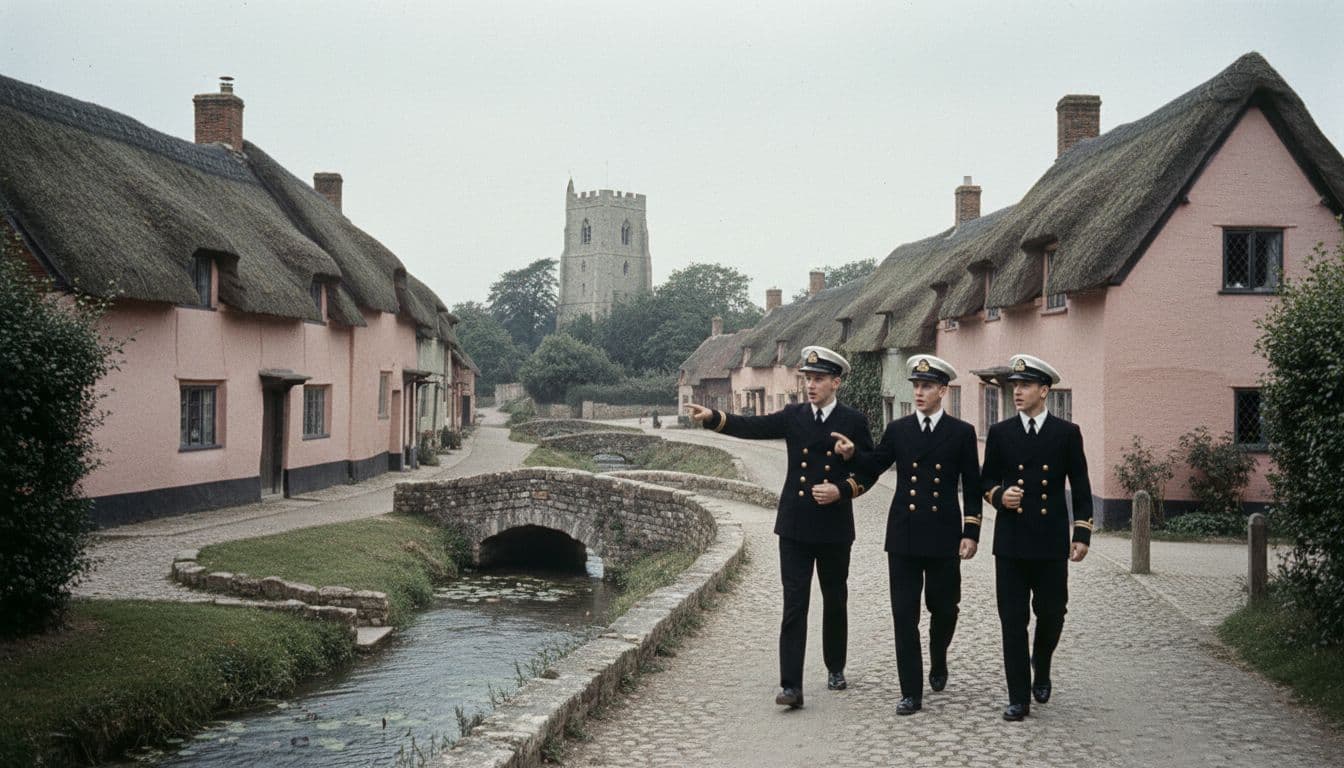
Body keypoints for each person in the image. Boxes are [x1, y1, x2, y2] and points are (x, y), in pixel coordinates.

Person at [684, 345, 873, 709]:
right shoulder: (793, 415)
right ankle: (791, 686)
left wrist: (842, 489)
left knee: (835, 598)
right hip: (795, 526)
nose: (811, 385)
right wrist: (713, 417)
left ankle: (835, 666)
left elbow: (868, 470)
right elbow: (752, 426)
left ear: (836, 382)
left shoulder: (853, 421)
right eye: (808, 379)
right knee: (794, 605)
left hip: (834, 527)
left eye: (818, 379)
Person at [832, 355, 980, 715]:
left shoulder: (961, 433)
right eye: (915, 386)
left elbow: (972, 485)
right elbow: (876, 463)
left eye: (927, 386)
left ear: (943, 390)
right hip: (904, 536)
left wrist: (971, 531)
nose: (919, 392)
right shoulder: (899, 430)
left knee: (944, 608)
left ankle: (939, 655)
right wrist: (853, 455)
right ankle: (910, 691)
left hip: (944, 534)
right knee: (904, 615)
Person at [980, 354, 1093, 721]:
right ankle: (1018, 697)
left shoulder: (1066, 434)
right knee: (1012, 620)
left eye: (1025, 385)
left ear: (1044, 391)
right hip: (1011, 543)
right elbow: (985, 481)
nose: (1018, 391)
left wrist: (1082, 533)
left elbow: (1080, 485)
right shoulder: (1001, 433)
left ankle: (1041, 662)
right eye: (1015, 385)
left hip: (1049, 543)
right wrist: (999, 496)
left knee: (1053, 613)